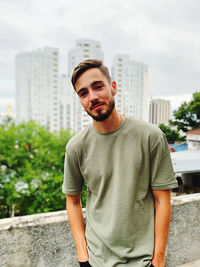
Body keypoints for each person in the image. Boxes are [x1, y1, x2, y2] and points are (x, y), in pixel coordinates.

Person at [62, 59, 178, 267]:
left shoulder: (151, 136)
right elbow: (72, 201)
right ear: (80, 100)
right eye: (84, 93)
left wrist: (158, 261)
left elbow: (163, 201)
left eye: (98, 87)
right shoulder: (76, 147)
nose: (93, 97)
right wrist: (83, 258)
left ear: (113, 87)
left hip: (144, 261)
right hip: (97, 260)